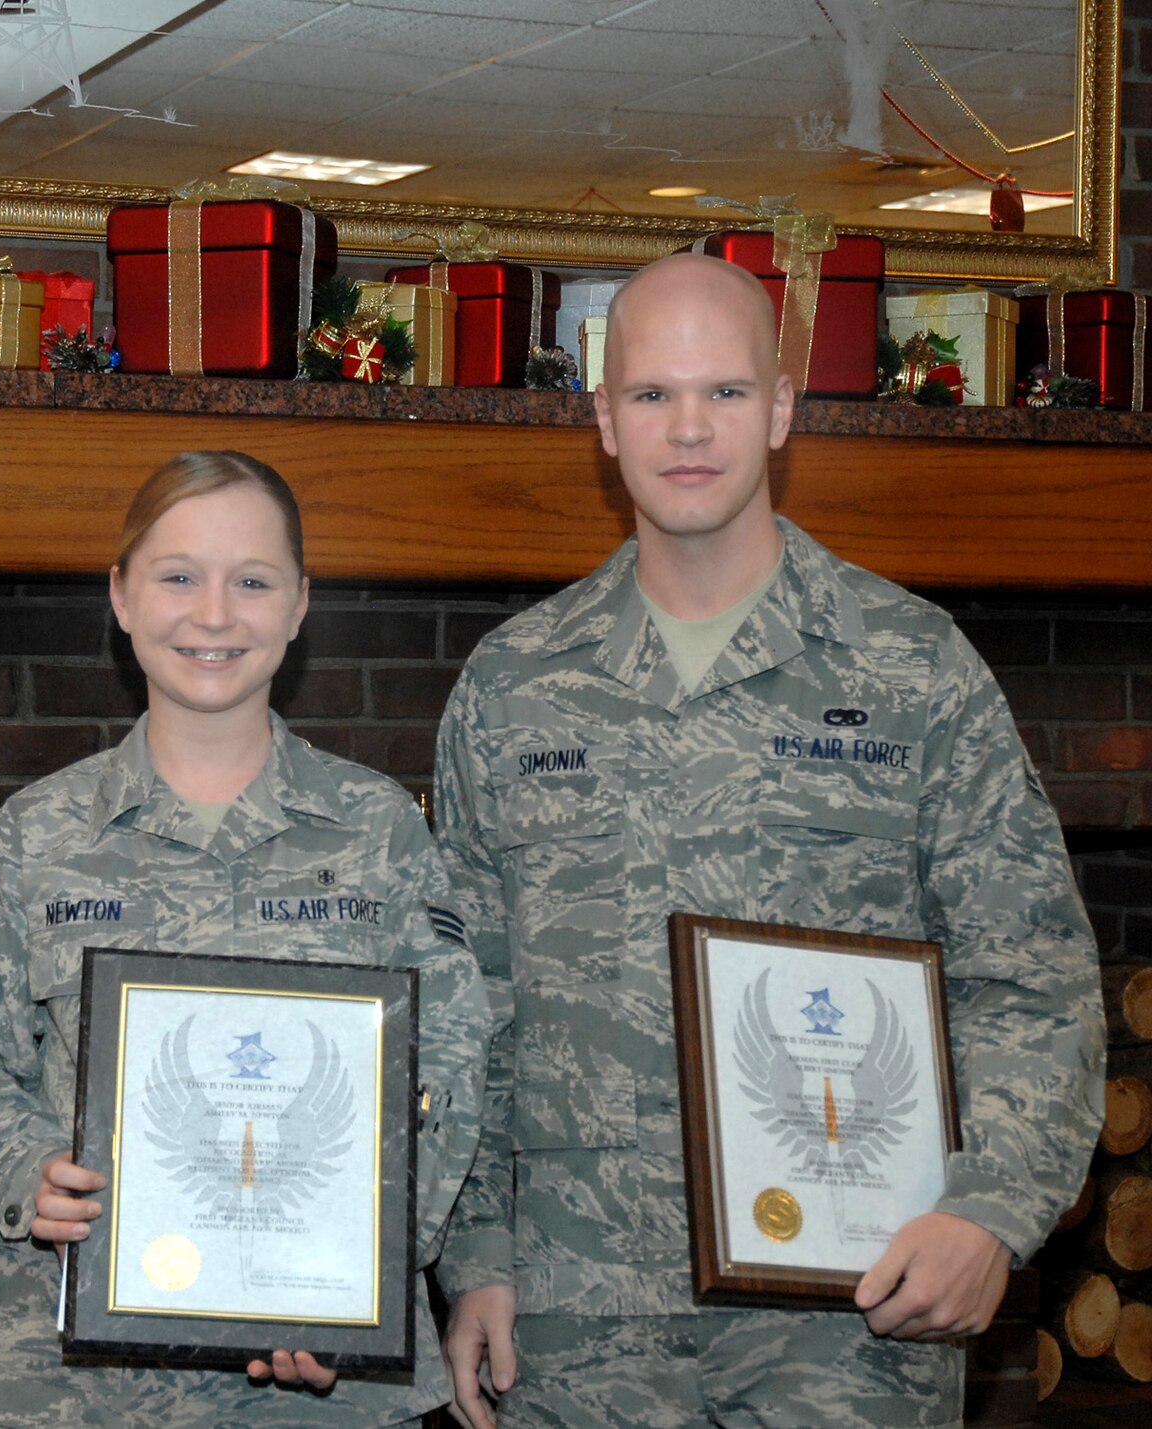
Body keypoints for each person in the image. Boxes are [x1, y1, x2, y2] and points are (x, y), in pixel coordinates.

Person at [433, 251, 1105, 1428]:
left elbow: (1029, 979)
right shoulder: (513, 686)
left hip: (847, 1322)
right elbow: (462, 1001)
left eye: (726, 393)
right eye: (650, 394)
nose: (687, 428)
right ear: (602, 417)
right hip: (575, 1320)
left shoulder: (912, 669)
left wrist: (988, 1210)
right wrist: (474, 1251)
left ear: (781, 408)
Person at [0, 451, 498, 1426]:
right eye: (176, 575)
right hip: (60, 1392)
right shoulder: (35, 837)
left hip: (323, 1391)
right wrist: (22, 1166)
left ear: (298, 605)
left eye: (250, 580)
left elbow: (452, 1063)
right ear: (120, 596)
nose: (212, 613)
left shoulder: (379, 832)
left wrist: (356, 1272)